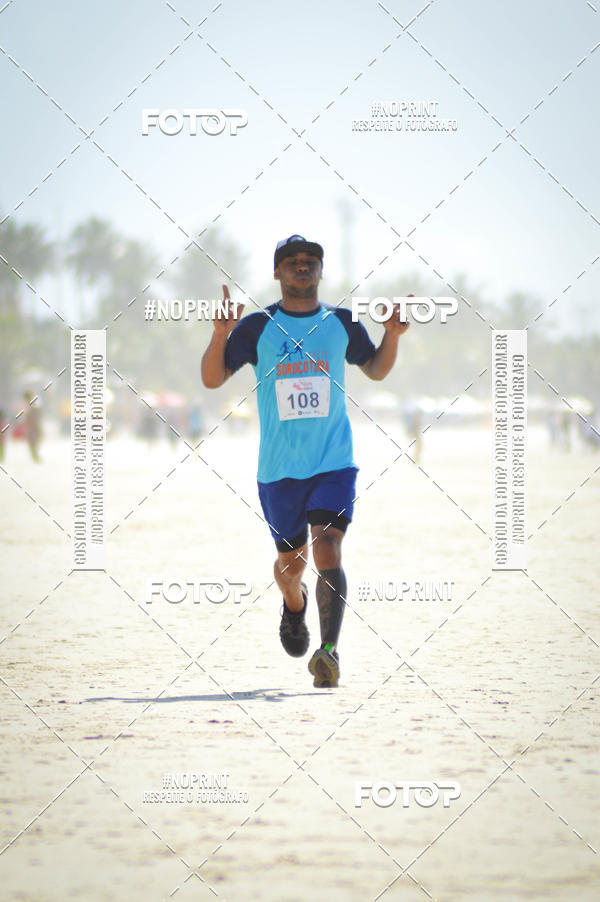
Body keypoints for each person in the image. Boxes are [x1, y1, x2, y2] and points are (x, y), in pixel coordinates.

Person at [201, 235, 409, 688]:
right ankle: (293, 605)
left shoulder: (340, 324)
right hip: (279, 471)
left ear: (320, 271)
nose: (302, 267)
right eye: (293, 262)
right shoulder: (257, 328)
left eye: (310, 262)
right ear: (277, 273)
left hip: (333, 461)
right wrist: (220, 337)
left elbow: (374, 368)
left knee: (329, 547)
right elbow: (213, 379)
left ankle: (329, 653)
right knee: (291, 566)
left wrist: (391, 337)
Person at [23, 391, 43, 462]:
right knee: (32, 443)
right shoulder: (29, 405)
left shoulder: (33, 405)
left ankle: (36, 457)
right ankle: (35, 457)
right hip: (32, 427)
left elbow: (37, 414)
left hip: (34, 427)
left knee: (33, 443)